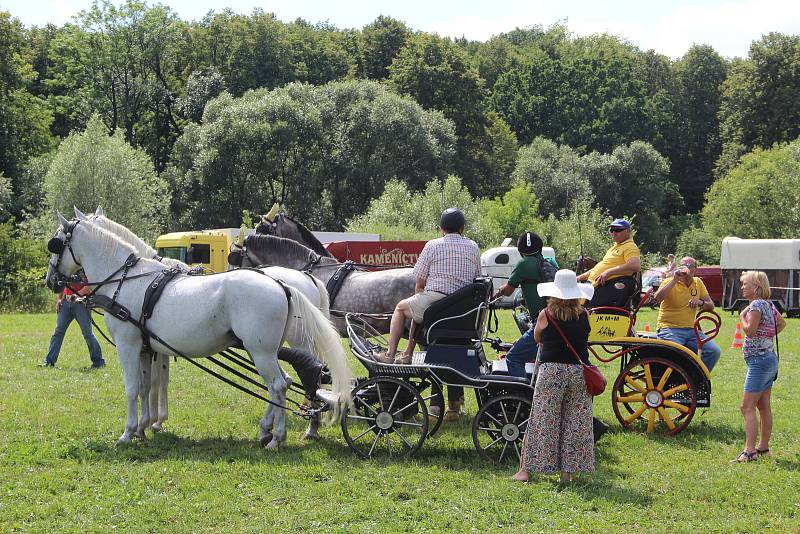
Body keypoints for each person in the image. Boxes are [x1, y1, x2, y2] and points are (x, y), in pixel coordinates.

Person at [375, 207, 481, 421]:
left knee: (401, 308)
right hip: (464, 310)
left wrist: (418, 302)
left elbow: (420, 282)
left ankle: (390, 353)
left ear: (441, 229)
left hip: (436, 301)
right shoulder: (473, 246)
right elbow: (477, 278)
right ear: (462, 228)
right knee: (416, 307)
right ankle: (409, 354)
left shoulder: (432, 245)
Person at [513, 269, 596, 484]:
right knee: (575, 422)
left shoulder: (545, 314)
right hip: (578, 372)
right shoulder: (584, 314)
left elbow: (537, 337)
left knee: (542, 420)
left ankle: (526, 470)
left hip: (552, 373)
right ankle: (566, 474)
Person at [731, 271, 785, 463]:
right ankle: (763, 448)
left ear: (756, 287)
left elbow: (750, 331)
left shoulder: (755, 305)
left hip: (759, 362)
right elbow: (781, 323)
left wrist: (742, 317)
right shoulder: (770, 305)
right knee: (763, 406)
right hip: (769, 359)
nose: (742, 287)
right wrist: (768, 335)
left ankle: (749, 451)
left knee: (746, 407)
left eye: (745, 284)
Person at [491, 231, 550, 378]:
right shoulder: (549, 262)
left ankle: (522, 396)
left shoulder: (523, 263)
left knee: (513, 358)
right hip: (554, 319)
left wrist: (493, 295)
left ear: (520, 250)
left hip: (541, 322)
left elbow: (509, 290)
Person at [654, 256, 722, 372]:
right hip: (669, 329)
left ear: (695, 270)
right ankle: (680, 380)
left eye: (689, 266)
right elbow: (658, 298)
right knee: (678, 353)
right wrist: (674, 280)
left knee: (714, 351)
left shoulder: (698, 282)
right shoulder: (669, 281)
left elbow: (711, 306)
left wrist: (700, 302)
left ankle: (695, 379)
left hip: (691, 330)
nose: (685, 268)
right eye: (683, 266)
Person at [41, 272, 105, 368]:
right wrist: (59, 299)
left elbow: (90, 286)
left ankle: (98, 362)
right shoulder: (68, 267)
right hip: (65, 303)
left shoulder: (85, 267)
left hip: (81, 303)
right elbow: (61, 282)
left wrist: (77, 295)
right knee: (58, 332)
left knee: (87, 333)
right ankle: (49, 361)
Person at [576, 218, 640, 308]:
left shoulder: (630, 247)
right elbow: (596, 269)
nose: (614, 233)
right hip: (592, 286)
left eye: (618, 230)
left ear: (628, 231)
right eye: (611, 230)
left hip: (603, 288)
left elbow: (634, 265)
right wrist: (578, 278)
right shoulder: (614, 247)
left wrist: (608, 272)